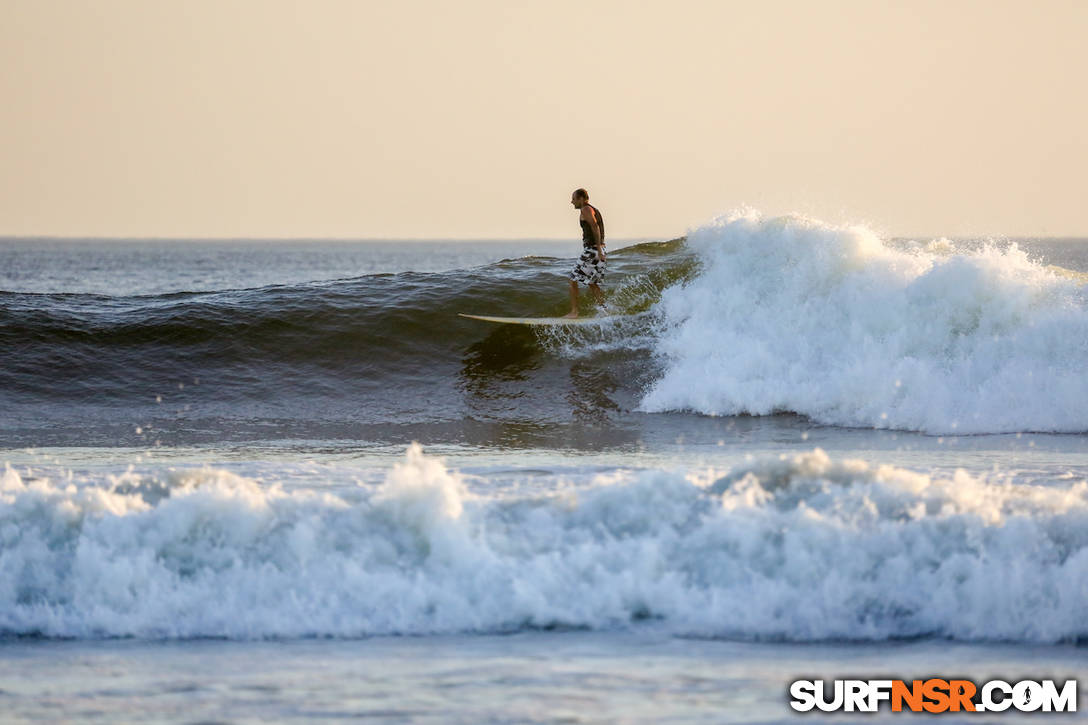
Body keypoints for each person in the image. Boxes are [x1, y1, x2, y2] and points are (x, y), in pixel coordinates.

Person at [565, 188, 606, 318]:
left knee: (572, 279)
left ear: (581, 199)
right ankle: (604, 311)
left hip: (593, 250)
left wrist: (598, 249)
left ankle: (574, 312)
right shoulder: (592, 209)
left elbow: (595, 227)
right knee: (592, 282)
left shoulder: (586, 209)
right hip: (597, 250)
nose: (572, 202)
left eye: (574, 198)